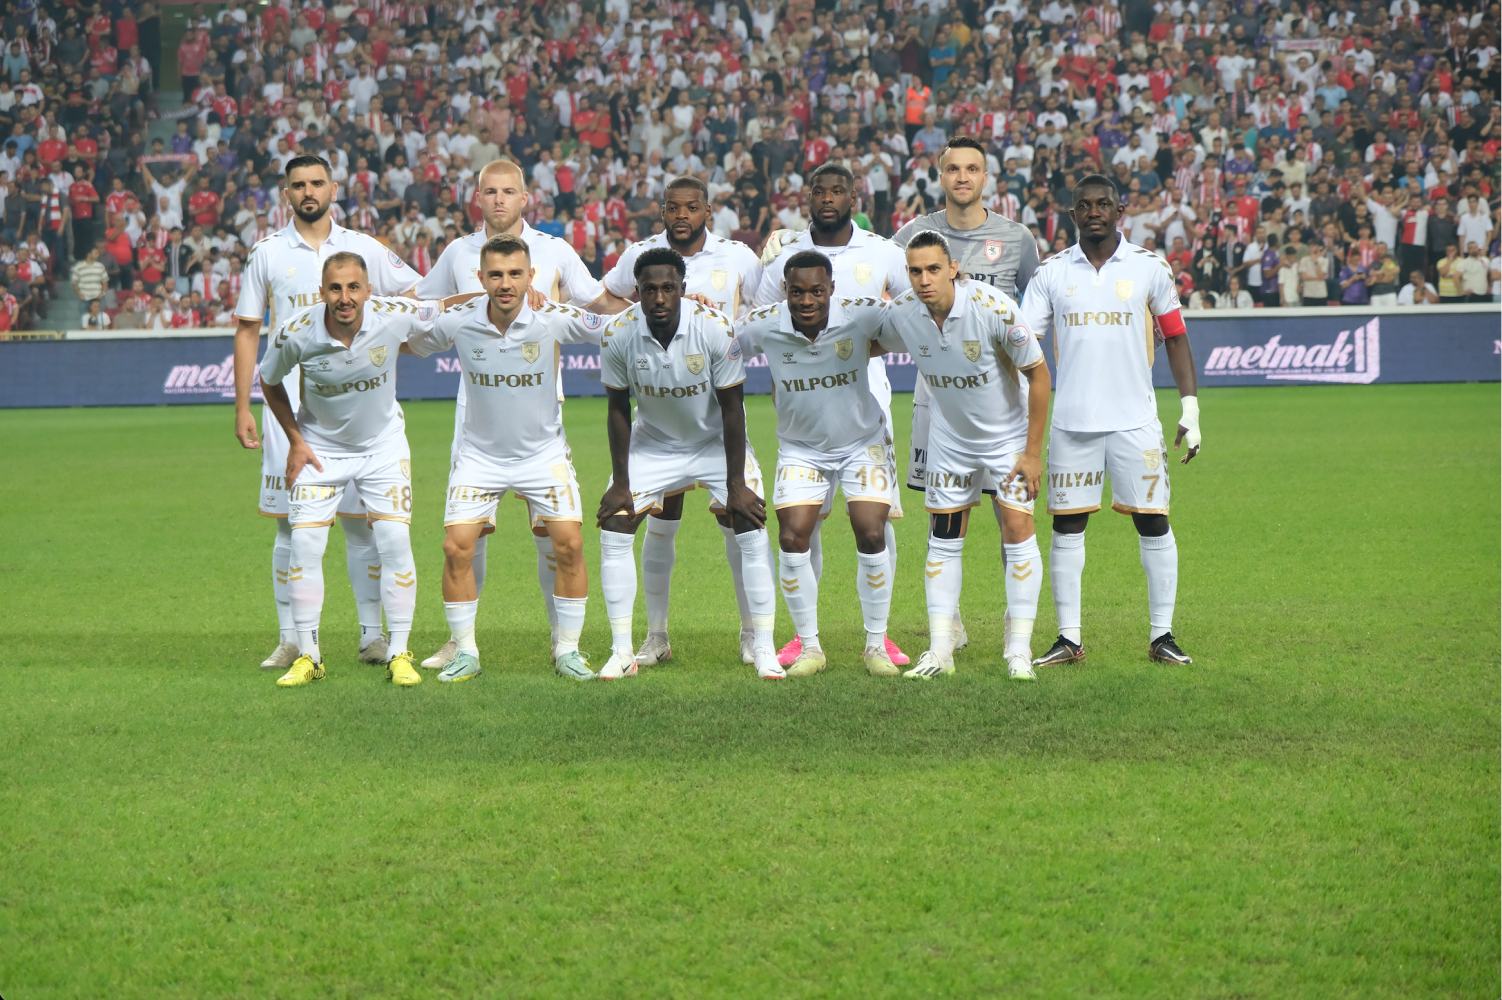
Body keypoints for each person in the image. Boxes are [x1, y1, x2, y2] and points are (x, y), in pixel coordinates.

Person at [415, 158, 632, 674]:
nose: (497, 199)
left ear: (524, 196)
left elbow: (602, 310)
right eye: (489, 191)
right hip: (476, 425)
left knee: (560, 539)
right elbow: (415, 317)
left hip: (540, 426)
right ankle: (462, 644)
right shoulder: (457, 257)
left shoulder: (554, 258)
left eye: (507, 191)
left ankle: (565, 643)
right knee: (463, 540)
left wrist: (662, 306)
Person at [232, 154, 417, 672]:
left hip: (355, 405)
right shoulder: (266, 253)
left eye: (317, 183)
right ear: (285, 193)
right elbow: (249, 327)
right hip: (290, 414)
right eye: (298, 185)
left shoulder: (363, 248)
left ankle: (373, 636)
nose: (308, 191)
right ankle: (293, 640)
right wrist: (243, 403)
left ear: (333, 188)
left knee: (363, 525)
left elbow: (413, 294)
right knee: (292, 529)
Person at [1019, 172, 1201, 669]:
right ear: (1072, 213)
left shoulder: (1149, 268)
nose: (1094, 211)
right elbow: (1022, 345)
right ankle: (1068, 638)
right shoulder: (1052, 273)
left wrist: (1191, 408)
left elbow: (1177, 336)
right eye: (1084, 205)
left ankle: (1162, 634)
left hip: (1135, 421)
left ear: (1120, 212)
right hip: (1072, 422)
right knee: (1067, 525)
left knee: (1154, 521)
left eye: (1103, 204)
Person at [256, 252, 462, 687]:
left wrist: (512, 293)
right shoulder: (296, 332)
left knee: (393, 540)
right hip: (321, 451)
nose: (345, 297)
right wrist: (295, 439)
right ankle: (310, 657)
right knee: (305, 546)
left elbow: (450, 306)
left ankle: (399, 654)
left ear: (369, 291)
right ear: (322, 292)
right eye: (336, 288)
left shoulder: (393, 314)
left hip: (382, 448)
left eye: (354, 287)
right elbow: (269, 381)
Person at [751, 162, 912, 668]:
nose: (827, 198)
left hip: (868, 403)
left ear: (854, 197)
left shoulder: (885, 250)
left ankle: (878, 638)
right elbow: (760, 321)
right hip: (802, 404)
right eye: (818, 190)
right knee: (805, 525)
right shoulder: (784, 252)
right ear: (807, 197)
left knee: (876, 526)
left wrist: (862, 346)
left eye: (837, 191)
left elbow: (913, 313)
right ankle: (805, 639)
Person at [601, 177, 766, 667]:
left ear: (707, 211)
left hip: (712, 413)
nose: (681, 215)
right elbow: (607, 301)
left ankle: (754, 635)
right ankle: (651, 638)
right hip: (656, 426)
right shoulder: (640, 255)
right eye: (673, 208)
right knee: (659, 523)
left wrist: (720, 331)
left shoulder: (739, 257)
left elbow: (760, 309)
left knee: (740, 518)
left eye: (691, 208)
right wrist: (643, 317)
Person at [874, 230, 1050, 680]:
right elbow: (864, 340)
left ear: (954, 268)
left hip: (1005, 441)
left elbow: (1040, 374)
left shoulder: (992, 307)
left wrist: (1032, 455)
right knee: (943, 539)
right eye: (915, 271)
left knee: (1016, 529)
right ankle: (939, 651)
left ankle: (1019, 650)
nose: (924, 279)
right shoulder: (903, 314)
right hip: (949, 441)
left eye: (934, 269)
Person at [893, 135, 1041, 652]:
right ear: (941, 175)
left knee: (1011, 513)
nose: (962, 177)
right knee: (942, 512)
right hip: (937, 396)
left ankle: (1012, 619)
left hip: (1000, 396)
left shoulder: (1017, 237)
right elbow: (890, 303)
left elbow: (1035, 308)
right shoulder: (911, 235)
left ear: (985, 177)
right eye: (953, 168)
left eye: (972, 169)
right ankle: (949, 622)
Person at [735, 250, 899, 676]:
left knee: (870, 530)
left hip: (863, 442)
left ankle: (876, 646)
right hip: (801, 448)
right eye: (796, 292)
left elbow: (911, 325)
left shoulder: (861, 315)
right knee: (791, 539)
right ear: (785, 291)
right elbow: (723, 346)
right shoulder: (764, 324)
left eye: (816, 291)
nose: (806, 300)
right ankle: (810, 648)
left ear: (831, 290)